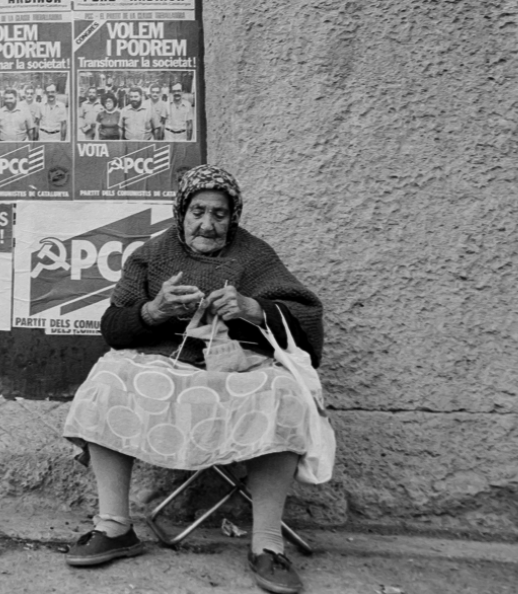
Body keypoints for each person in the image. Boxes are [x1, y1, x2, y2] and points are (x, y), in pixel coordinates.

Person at [62, 166, 326, 594]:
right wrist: (156, 311)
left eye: (219, 214)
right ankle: (114, 526)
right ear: (181, 212)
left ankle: (267, 545)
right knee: (107, 378)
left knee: (284, 392)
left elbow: (307, 320)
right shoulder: (153, 254)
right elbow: (113, 326)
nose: (208, 223)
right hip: (166, 366)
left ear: (233, 217)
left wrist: (253, 309)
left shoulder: (256, 256)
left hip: (238, 367)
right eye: (198, 211)